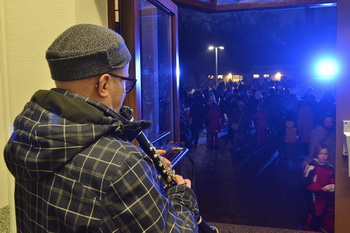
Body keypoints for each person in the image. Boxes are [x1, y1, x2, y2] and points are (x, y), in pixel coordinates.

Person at [4, 24, 199, 232]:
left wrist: (145, 174)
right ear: (104, 84)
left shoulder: (26, 133)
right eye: (125, 81)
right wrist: (181, 197)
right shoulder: (124, 165)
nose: (125, 91)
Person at [303, 144, 335, 232]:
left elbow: (332, 178)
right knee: (314, 215)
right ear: (316, 154)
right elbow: (306, 183)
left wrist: (332, 185)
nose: (323, 156)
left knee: (325, 213)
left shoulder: (329, 167)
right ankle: (310, 229)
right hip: (314, 197)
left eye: (325, 154)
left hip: (325, 196)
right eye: (321, 153)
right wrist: (320, 188)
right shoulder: (312, 166)